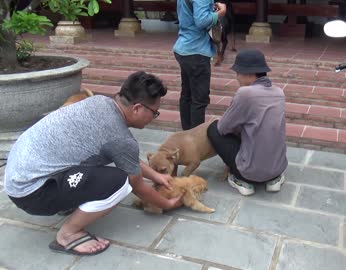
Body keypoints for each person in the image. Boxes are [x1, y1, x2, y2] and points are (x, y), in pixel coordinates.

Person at [4, 71, 184, 256]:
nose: (154, 118)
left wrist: (156, 176)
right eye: (154, 113)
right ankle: (68, 234)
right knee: (120, 182)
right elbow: (136, 184)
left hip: (17, 176)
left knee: (103, 169)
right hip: (31, 193)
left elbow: (123, 155)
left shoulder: (98, 102)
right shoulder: (120, 137)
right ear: (137, 108)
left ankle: (66, 200)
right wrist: (167, 204)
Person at [207, 49, 288, 196]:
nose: (237, 77)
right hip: (278, 168)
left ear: (249, 73)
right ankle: (274, 180)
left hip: (249, 173)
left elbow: (223, 128)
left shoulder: (245, 93)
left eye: (238, 73)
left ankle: (241, 180)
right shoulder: (279, 92)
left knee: (213, 128)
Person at [173, 0, 227, 130]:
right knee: (199, 99)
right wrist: (221, 13)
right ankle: (195, 139)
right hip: (196, 50)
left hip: (184, 47)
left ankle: (186, 134)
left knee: (187, 95)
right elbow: (201, 21)